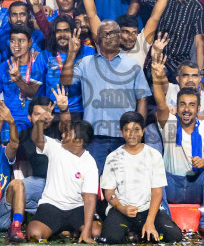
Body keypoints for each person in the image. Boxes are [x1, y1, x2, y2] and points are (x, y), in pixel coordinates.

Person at [60, 20, 149, 170]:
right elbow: (65, 81)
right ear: (97, 39)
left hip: (124, 137)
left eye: (113, 33)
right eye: (105, 34)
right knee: (92, 180)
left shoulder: (133, 65)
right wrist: (71, 54)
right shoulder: (85, 63)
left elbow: (142, 99)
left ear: (119, 36)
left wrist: (138, 130)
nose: (110, 37)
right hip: (93, 137)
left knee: (123, 180)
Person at [150, 55, 204, 236]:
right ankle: (166, 220)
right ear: (177, 106)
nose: (186, 109)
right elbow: (160, 102)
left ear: (198, 108)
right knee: (156, 170)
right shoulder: (170, 125)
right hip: (172, 184)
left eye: (191, 105)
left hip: (195, 184)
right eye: (182, 104)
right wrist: (157, 77)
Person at [25, 96, 101, 243]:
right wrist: (41, 120)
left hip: (77, 208)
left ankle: (70, 230)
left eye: (68, 134)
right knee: (34, 235)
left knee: (95, 232)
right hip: (52, 206)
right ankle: (62, 230)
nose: (63, 135)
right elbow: (36, 138)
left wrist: (86, 232)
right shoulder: (56, 147)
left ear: (78, 142)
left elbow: (90, 199)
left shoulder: (90, 162)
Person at [100, 113, 183, 243]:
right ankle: (134, 232)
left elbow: (157, 192)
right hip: (122, 210)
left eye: (136, 130)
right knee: (111, 238)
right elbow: (109, 192)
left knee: (174, 235)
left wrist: (150, 221)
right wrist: (122, 208)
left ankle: (138, 232)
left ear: (143, 131)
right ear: (122, 132)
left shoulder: (154, 155)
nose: (132, 134)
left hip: (147, 210)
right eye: (127, 130)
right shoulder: (113, 157)